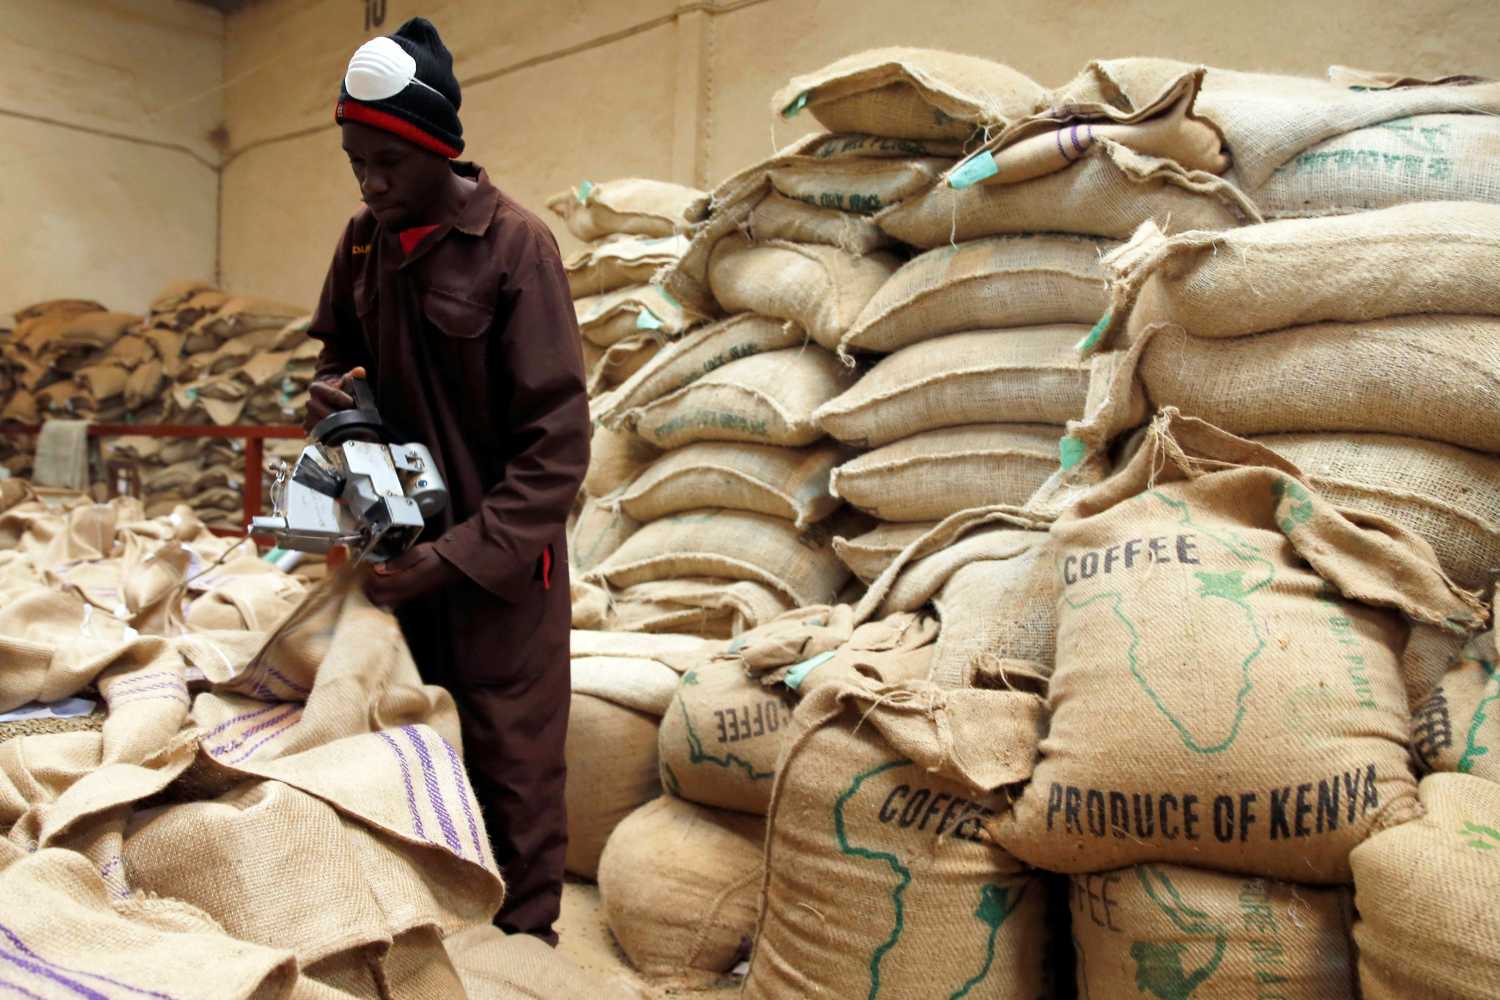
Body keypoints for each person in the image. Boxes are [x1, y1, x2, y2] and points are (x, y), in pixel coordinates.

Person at [304, 17, 589, 945]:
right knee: (407, 753)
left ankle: (527, 945)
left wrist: (457, 558)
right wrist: (333, 397)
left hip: (499, 575)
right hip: (396, 549)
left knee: (510, 767)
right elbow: (334, 352)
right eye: (356, 162)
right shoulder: (361, 243)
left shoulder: (516, 250)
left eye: (387, 162)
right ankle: (430, 940)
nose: (371, 182)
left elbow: (556, 454)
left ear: (438, 151)